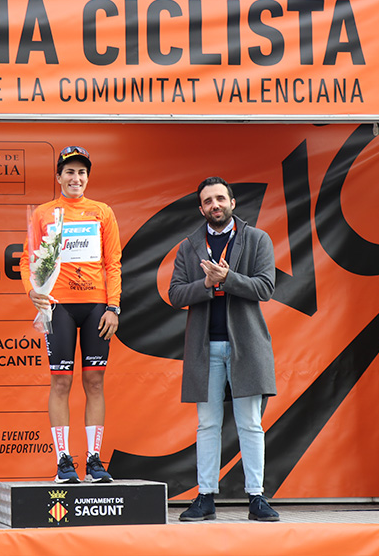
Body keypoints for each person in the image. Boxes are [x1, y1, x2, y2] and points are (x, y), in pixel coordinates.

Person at [168, 176, 280, 522]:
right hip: (205, 347)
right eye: (207, 201)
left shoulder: (257, 239)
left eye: (220, 198)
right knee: (207, 424)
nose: (214, 205)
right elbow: (175, 294)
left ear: (232, 202)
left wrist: (227, 279)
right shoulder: (189, 247)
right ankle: (205, 496)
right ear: (201, 209)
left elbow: (266, 287)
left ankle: (257, 497)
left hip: (246, 345)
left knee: (250, 423)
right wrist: (206, 283)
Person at [20, 145, 122, 484]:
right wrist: (32, 291)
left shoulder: (102, 212)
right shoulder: (44, 213)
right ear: (58, 177)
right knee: (61, 381)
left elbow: (113, 263)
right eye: (69, 172)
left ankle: (94, 460)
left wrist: (113, 306)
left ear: (87, 177)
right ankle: (63, 461)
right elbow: (27, 260)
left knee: (94, 381)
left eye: (81, 172)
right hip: (58, 306)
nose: (75, 178)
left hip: (96, 306)